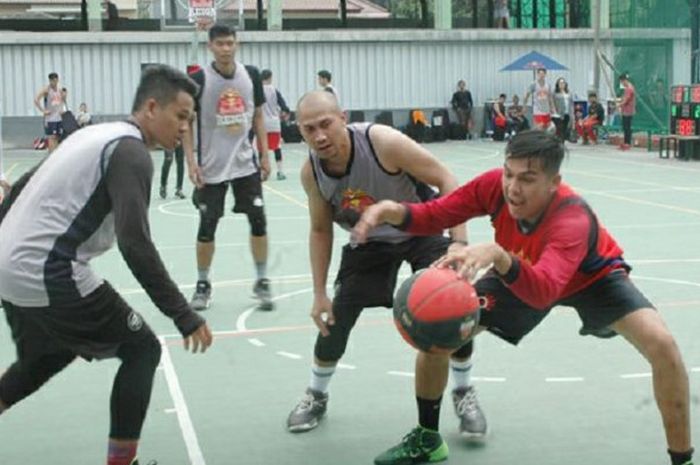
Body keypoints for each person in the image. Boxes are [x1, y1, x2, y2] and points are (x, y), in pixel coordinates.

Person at [354, 130, 693, 465]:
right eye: (509, 174)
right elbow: (439, 214)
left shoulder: (573, 218)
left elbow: (544, 292)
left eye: (527, 179)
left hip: (593, 278)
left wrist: (499, 257)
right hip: (523, 269)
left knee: (663, 345)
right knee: (436, 334)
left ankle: (682, 460)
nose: (513, 188)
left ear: (553, 181)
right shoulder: (493, 187)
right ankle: (428, 439)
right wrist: (389, 210)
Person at [0, 64, 213, 465]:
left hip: (10, 267)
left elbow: (24, 184)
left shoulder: (94, 134)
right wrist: (182, 314)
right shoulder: (131, 152)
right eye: (181, 116)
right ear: (152, 107)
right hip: (48, 270)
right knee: (143, 350)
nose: (185, 128)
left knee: (45, 357)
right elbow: (136, 244)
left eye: (190, 120)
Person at [285, 90, 488, 446]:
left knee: (452, 307)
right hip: (368, 241)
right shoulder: (312, 173)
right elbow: (320, 230)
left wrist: (459, 243)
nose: (318, 136)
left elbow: (446, 179)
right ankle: (316, 393)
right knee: (337, 314)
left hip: (419, 227)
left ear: (343, 118)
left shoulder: (382, 142)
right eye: (308, 129)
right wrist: (319, 293)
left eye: (325, 124)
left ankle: (463, 389)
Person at [183, 23, 273, 312]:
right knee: (207, 226)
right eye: (220, 43)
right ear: (210, 46)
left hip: (245, 163)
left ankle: (261, 280)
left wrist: (265, 153)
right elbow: (185, 123)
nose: (226, 48)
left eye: (230, 43)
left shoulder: (251, 76)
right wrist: (191, 162)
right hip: (211, 166)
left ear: (237, 44)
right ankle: (202, 283)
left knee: (258, 221)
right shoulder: (197, 79)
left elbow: (258, 116)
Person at [259, 69, 291, 180]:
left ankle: (261, 172)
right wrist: (285, 114)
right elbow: (284, 107)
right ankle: (280, 172)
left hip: (261, 124)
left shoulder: (258, 90)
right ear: (270, 77)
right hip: (274, 123)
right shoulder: (274, 91)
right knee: (277, 147)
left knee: (261, 148)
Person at [34, 72, 67, 154]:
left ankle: (55, 154)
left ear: (58, 80)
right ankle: (51, 155)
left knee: (57, 137)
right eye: (52, 81)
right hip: (50, 118)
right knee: (51, 138)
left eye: (55, 80)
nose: (54, 82)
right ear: (50, 81)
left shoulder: (59, 89)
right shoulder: (46, 90)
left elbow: (62, 101)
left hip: (59, 117)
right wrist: (43, 110)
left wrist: (64, 97)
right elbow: (36, 99)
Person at [617, 73, 636, 150]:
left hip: (628, 111)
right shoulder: (628, 88)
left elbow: (626, 100)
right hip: (626, 110)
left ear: (624, 80)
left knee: (627, 127)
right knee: (625, 127)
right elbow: (624, 98)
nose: (621, 83)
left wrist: (618, 105)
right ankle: (625, 143)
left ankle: (627, 143)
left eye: (622, 82)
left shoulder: (629, 88)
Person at [552, 77, 573, 142]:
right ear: (557, 84)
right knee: (559, 129)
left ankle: (562, 142)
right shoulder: (555, 93)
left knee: (565, 128)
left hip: (567, 113)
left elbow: (571, 103)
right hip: (558, 113)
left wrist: (572, 114)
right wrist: (554, 111)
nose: (562, 84)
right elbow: (552, 102)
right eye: (560, 83)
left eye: (563, 83)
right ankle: (559, 142)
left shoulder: (568, 93)